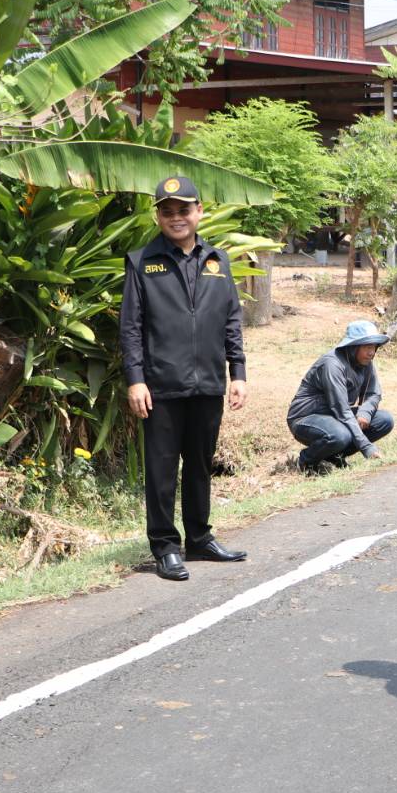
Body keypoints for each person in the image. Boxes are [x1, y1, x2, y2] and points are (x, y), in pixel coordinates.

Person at [119, 176, 249, 581]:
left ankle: (200, 537)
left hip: (208, 382)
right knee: (161, 469)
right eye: (168, 211)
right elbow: (131, 327)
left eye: (184, 209)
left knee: (199, 465)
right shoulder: (142, 261)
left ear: (199, 212)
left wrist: (238, 371)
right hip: (161, 385)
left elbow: (231, 318)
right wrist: (136, 379)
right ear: (158, 216)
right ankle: (164, 546)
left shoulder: (217, 260)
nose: (177, 217)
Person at [286, 320, 394, 473]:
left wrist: (365, 412)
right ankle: (306, 461)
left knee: (384, 420)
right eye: (367, 347)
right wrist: (366, 447)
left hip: (335, 416)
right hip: (305, 418)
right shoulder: (332, 364)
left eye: (374, 347)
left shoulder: (366, 362)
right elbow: (342, 410)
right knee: (339, 435)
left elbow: (374, 393)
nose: (372, 352)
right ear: (353, 347)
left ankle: (333, 457)